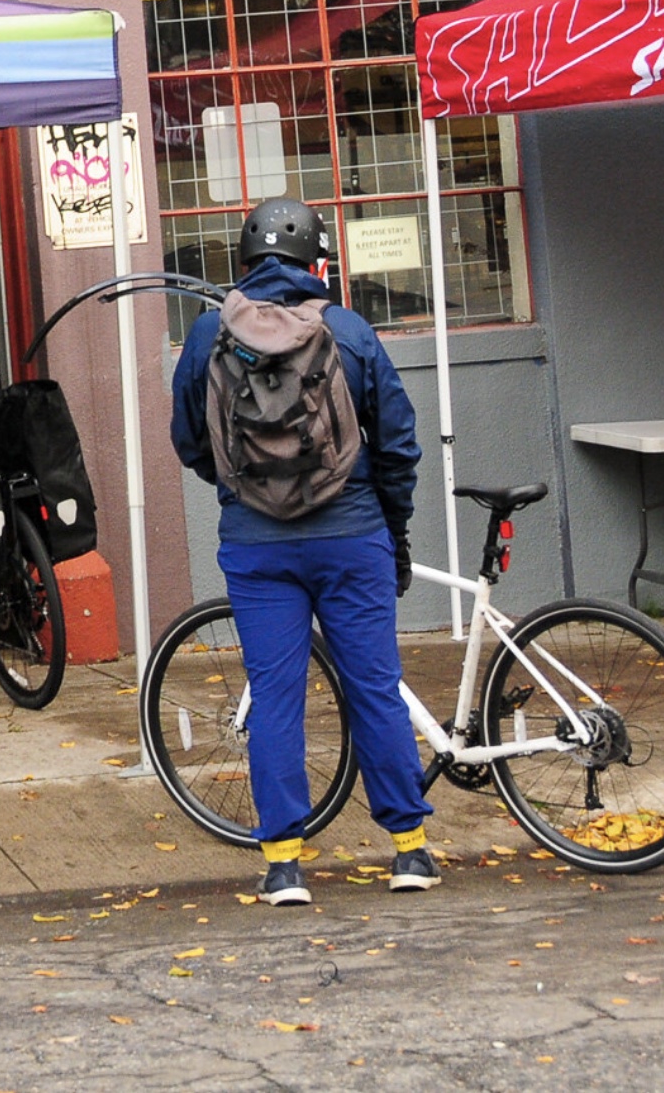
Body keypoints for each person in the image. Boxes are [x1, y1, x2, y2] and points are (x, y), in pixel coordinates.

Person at [169, 197, 432, 906]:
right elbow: (399, 443)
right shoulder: (347, 331)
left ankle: (284, 862)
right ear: (316, 263)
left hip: (257, 548)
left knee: (277, 697)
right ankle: (409, 849)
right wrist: (392, 524)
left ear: (246, 264)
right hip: (353, 537)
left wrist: (243, 487)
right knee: (373, 686)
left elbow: (191, 440)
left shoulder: (206, 336)